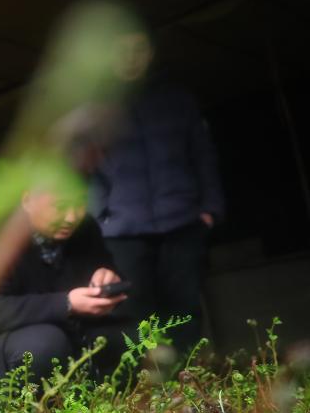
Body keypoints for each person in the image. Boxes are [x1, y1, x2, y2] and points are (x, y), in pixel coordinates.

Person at [89, 32, 225, 351]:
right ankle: (145, 391)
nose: (131, 57)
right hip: (123, 230)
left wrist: (210, 208)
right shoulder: (98, 109)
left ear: (150, 54)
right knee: (132, 311)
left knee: (184, 309)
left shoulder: (178, 100)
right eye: (122, 50)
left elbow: (203, 155)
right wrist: (100, 217)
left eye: (139, 49)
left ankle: (188, 382)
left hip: (182, 220)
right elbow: (87, 170)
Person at [0, 188, 129, 396]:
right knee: (45, 345)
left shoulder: (84, 228)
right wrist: (65, 304)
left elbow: (109, 271)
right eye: (60, 207)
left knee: (127, 334)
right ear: (28, 200)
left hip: (70, 329)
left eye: (79, 205)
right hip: (4, 342)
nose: (71, 217)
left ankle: (95, 400)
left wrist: (107, 279)